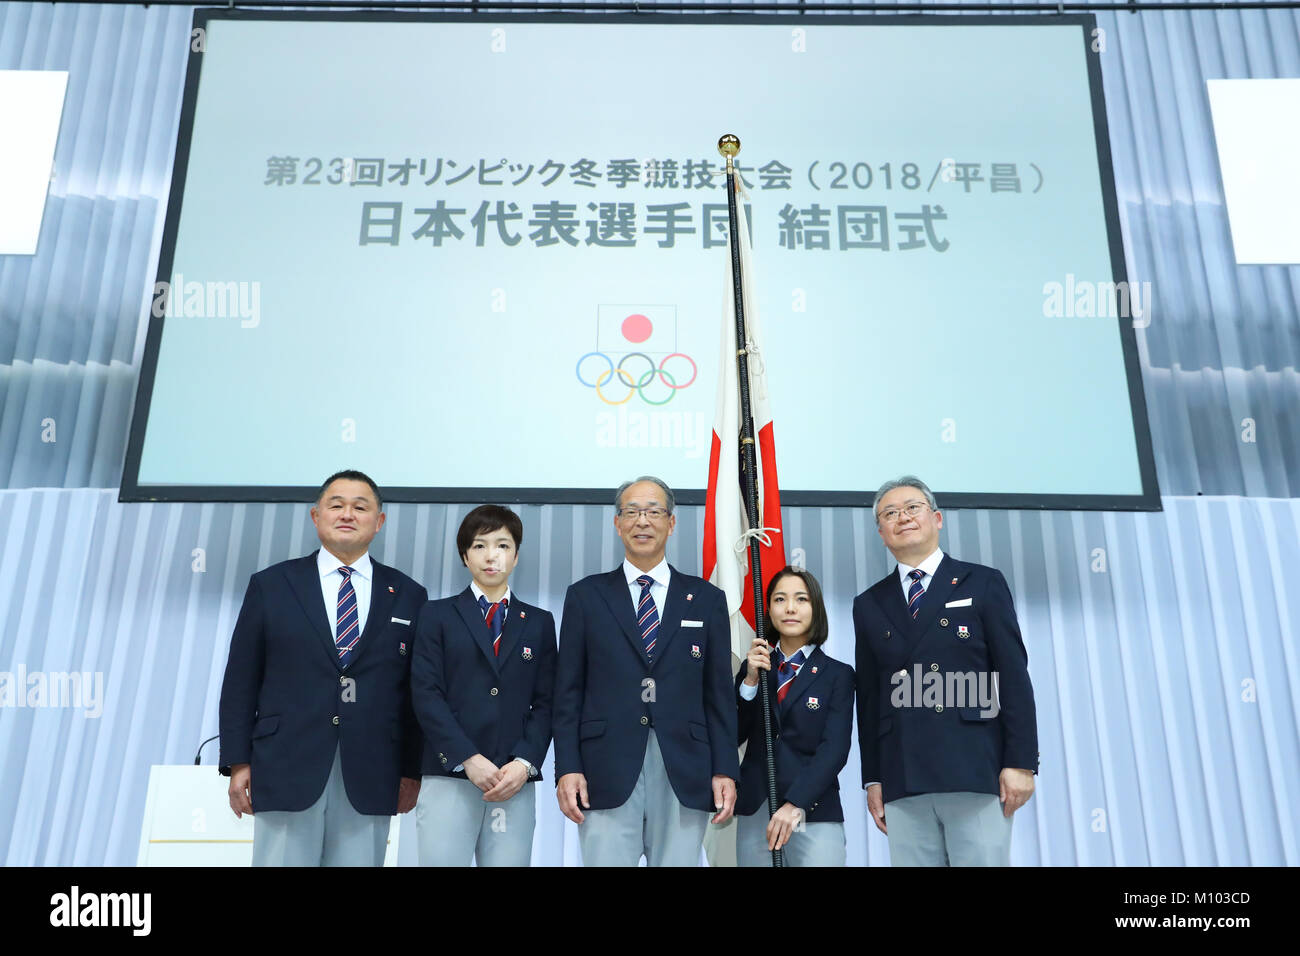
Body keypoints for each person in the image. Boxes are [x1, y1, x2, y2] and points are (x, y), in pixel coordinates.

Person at [218, 470, 428, 866]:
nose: (347, 514)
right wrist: (238, 762)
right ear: (316, 517)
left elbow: (415, 695)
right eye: (336, 505)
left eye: (360, 507)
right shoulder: (272, 585)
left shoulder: (409, 595)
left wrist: (411, 770)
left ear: (379, 522)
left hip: (372, 772)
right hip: (284, 766)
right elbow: (241, 680)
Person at [552, 476, 738, 866]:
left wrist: (724, 769)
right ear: (617, 523)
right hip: (604, 767)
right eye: (632, 512)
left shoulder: (706, 599)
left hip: (685, 767)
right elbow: (567, 692)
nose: (642, 521)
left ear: (671, 523)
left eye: (653, 511)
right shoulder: (586, 596)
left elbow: (719, 695)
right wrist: (567, 768)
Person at [853, 475, 1038, 866]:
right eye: (890, 513)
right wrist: (873, 778)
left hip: (975, 768)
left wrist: (1020, 762)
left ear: (937, 518)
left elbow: (1013, 676)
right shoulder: (869, 603)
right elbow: (869, 699)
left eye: (912, 508)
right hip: (903, 776)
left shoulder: (982, 582)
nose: (902, 517)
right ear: (882, 533)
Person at [410, 505, 556, 866]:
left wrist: (524, 763)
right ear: (465, 555)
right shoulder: (436, 615)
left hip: (512, 780)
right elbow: (426, 693)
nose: (492, 556)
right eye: (479, 545)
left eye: (503, 545)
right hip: (450, 773)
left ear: (517, 555)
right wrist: (466, 757)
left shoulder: (539, 622)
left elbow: (548, 701)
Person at [735, 566, 854, 867]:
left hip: (814, 809)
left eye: (801, 599)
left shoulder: (838, 675)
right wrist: (749, 681)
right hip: (756, 808)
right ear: (769, 611)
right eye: (779, 599)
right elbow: (733, 733)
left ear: (816, 608)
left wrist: (795, 803)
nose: (790, 608)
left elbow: (835, 749)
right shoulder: (755, 668)